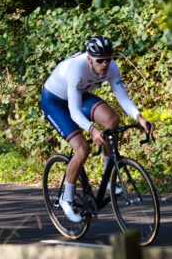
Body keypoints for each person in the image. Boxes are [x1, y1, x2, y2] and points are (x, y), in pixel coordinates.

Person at [41, 36, 153, 223]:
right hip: (55, 102)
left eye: (108, 59)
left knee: (112, 121)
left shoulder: (112, 67)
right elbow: (74, 112)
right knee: (82, 149)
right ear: (89, 58)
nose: (104, 64)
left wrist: (139, 117)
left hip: (79, 96)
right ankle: (66, 199)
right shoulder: (76, 69)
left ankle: (109, 177)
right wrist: (93, 130)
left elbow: (122, 97)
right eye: (99, 60)